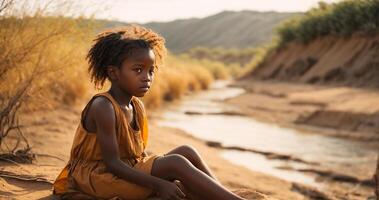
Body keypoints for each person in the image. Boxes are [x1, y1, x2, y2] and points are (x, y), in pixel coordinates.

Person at [52, 24, 246, 200]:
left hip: (126, 168)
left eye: (151, 71)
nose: (147, 78)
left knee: (187, 151)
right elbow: (112, 163)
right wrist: (160, 184)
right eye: (138, 70)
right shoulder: (103, 107)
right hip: (97, 177)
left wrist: (159, 174)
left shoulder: (136, 105)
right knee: (176, 163)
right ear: (113, 73)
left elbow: (136, 155)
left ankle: (220, 194)